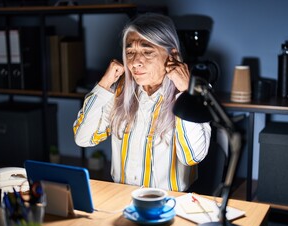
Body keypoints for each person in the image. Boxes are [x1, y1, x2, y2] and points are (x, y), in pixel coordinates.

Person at [73, 13, 211, 192]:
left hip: (171, 203)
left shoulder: (196, 92)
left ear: (172, 55)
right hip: (122, 199)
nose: (135, 62)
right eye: (130, 52)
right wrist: (104, 84)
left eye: (147, 52)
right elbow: (83, 139)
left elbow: (192, 157)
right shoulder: (119, 91)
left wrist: (186, 92)